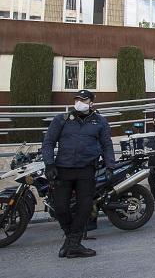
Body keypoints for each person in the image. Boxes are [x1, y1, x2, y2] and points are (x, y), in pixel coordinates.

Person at [42, 90, 115, 258]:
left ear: (91, 103)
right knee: (60, 208)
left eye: (83, 99)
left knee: (85, 207)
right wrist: (49, 164)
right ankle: (72, 242)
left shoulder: (100, 121)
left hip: (86, 170)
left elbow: (107, 145)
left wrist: (110, 165)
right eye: (77, 99)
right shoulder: (61, 119)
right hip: (63, 169)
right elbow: (48, 142)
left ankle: (72, 244)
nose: (79, 101)